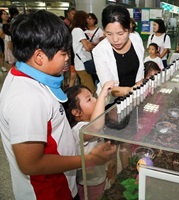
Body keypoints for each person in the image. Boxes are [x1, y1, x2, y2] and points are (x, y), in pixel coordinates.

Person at [0, 10, 116, 200]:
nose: (67, 58)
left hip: (61, 185)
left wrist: (82, 134)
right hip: (49, 193)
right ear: (39, 57)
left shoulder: (31, 78)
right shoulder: (27, 97)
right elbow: (31, 163)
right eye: (63, 54)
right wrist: (89, 159)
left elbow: (51, 130)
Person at [63, 80, 117, 200]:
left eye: (93, 96)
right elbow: (95, 127)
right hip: (88, 184)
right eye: (89, 99)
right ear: (77, 112)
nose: (95, 100)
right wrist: (102, 95)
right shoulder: (78, 130)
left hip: (100, 177)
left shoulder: (91, 122)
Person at [93, 4, 145, 100]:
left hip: (136, 97)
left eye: (120, 33)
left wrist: (139, 87)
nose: (115, 39)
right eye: (109, 34)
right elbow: (109, 88)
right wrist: (129, 91)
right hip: (113, 103)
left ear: (129, 27)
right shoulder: (99, 51)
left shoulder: (136, 38)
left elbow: (140, 74)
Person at [71, 10, 96, 94]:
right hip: (82, 63)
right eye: (87, 18)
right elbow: (87, 47)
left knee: (85, 86)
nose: (88, 21)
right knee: (90, 89)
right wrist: (91, 45)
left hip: (81, 63)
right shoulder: (78, 30)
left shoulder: (76, 30)